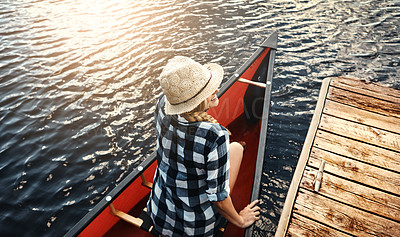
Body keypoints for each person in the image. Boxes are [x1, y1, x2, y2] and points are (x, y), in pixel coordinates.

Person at [146, 56, 260, 236]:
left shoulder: (163, 104)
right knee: (236, 148)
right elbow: (219, 200)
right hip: (195, 228)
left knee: (234, 148)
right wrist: (240, 220)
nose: (216, 89)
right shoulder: (215, 135)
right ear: (195, 101)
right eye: (207, 89)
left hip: (159, 211)